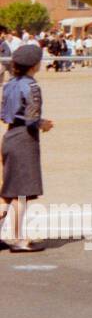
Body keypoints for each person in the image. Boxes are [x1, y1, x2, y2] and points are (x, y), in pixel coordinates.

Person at [1, 44, 53, 253]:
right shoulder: (31, 86)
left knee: (8, 191)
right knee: (21, 193)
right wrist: (43, 124)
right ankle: (18, 239)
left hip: (10, 135)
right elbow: (32, 118)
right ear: (34, 64)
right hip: (24, 138)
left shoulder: (10, 84)